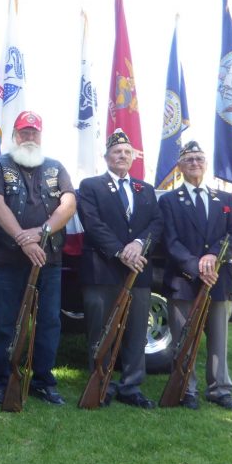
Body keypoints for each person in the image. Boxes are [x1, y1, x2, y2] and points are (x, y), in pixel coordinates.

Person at [0, 111, 76, 406]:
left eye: (34, 132)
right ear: (15, 135)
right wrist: (23, 240)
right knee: (6, 322)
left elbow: (69, 203)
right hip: (8, 259)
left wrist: (41, 232)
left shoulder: (56, 167)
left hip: (49, 260)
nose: (29, 137)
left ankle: (43, 380)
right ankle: (1, 380)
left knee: (49, 322)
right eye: (24, 132)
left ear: (41, 135)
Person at [77, 128, 163, 409]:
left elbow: (156, 224)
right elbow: (92, 223)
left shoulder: (146, 190)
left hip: (137, 271)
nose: (122, 156)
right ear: (107, 157)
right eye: (117, 152)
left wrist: (139, 243)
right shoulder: (91, 186)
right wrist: (119, 251)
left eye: (127, 152)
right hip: (102, 270)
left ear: (133, 157)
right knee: (101, 331)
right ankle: (101, 383)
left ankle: (131, 386)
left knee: (137, 332)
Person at [158, 140, 232, 411]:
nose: (195, 163)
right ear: (180, 166)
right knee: (184, 337)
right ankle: (186, 388)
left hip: (217, 280)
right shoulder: (170, 200)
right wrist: (196, 266)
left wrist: (213, 258)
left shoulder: (226, 199)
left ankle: (220, 389)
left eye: (199, 158)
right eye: (189, 159)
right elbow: (169, 241)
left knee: (218, 337)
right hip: (183, 280)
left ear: (205, 164)